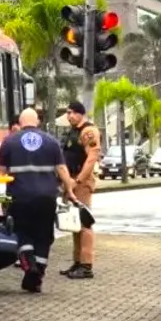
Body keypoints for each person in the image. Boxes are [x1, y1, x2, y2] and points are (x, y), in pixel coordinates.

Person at [0, 108, 77, 293]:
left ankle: (29, 264)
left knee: (21, 231)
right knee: (44, 235)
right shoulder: (51, 142)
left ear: (20, 123)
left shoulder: (9, 142)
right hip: (47, 197)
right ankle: (38, 274)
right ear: (37, 122)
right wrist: (69, 190)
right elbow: (62, 169)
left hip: (19, 196)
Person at [58, 100, 101, 280]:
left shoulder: (88, 131)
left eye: (72, 113)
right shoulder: (73, 131)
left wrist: (77, 180)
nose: (69, 116)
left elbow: (91, 159)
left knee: (84, 223)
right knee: (75, 224)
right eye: (68, 113)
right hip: (71, 181)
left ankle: (86, 265)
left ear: (80, 114)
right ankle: (77, 262)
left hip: (80, 182)